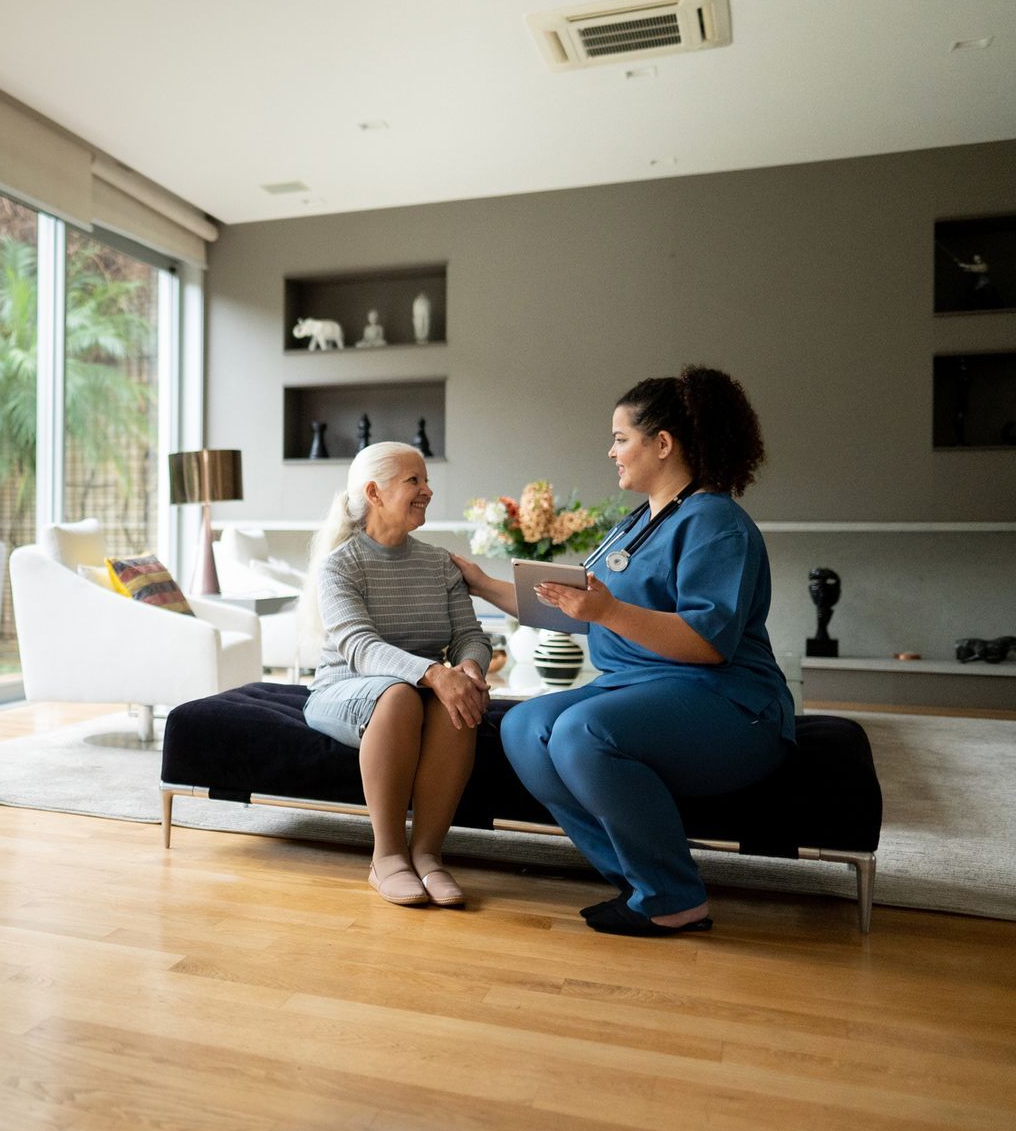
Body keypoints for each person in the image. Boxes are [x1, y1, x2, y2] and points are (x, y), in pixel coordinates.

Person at [452, 366, 792, 937]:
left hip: (730, 703)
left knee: (581, 730)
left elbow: (709, 644)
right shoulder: (636, 523)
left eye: (620, 438)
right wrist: (483, 584)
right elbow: (571, 607)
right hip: (633, 691)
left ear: (662, 443)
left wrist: (608, 612)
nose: (611, 452)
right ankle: (641, 881)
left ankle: (674, 897)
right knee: (523, 725)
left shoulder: (716, 522)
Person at [301, 442, 493, 907]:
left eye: (426, 480)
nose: (428, 490)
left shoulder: (438, 564)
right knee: (401, 696)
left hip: (417, 688)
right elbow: (360, 649)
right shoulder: (340, 566)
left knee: (454, 703)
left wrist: (467, 667)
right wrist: (433, 673)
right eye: (414, 481)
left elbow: (472, 634)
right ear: (374, 492)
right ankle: (385, 857)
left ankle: (428, 856)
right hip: (344, 689)